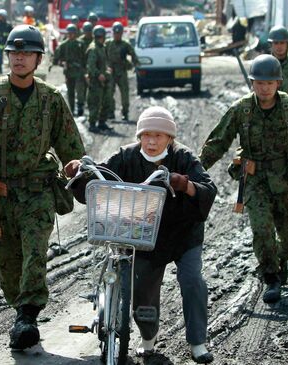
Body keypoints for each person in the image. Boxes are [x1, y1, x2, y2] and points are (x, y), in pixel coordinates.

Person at [0, 25, 85, 350]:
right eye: (14, 53)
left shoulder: (51, 99)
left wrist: (80, 171)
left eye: (26, 53)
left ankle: (28, 316)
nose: (19, 58)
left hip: (38, 191)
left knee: (35, 253)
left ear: (38, 58)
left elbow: (70, 146)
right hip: (0, 195)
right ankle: (20, 310)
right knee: (7, 264)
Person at [64, 106, 216, 364]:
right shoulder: (125, 156)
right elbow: (100, 176)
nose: (152, 141)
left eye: (159, 135)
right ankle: (148, 340)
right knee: (143, 292)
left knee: (192, 280)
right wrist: (79, 171)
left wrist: (186, 184)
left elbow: (208, 188)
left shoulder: (183, 157)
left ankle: (198, 342)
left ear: (170, 138)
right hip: (143, 236)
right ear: (139, 136)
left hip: (183, 235)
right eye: (147, 135)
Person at [199, 55, 288, 304]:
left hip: (285, 178)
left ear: (278, 83)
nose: (264, 88)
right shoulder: (241, 110)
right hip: (254, 179)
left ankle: (281, 259)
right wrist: (196, 169)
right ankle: (270, 276)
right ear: (252, 83)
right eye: (259, 83)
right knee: (261, 228)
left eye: (269, 83)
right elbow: (218, 142)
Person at [104, 21, 138, 121]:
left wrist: (135, 65)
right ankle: (111, 112)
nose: (117, 35)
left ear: (122, 33)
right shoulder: (108, 44)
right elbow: (102, 55)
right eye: (115, 33)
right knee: (109, 93)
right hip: (110, 72)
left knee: (124, 93)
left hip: (122, 71)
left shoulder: (125, 45)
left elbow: (133, 55)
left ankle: (125, 113)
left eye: (119, 33)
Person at [52, 23, 86, 116]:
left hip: (79, 71)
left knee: (80, 90)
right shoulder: (63, 45)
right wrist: (61, 63)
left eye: (73, 33)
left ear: (76, 33)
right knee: (70, 91)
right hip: (69, 72)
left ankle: (80, 107)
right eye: (69, 33)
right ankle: (72, 109)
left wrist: (85, 69)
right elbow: (56, 58)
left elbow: (85, 57)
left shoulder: (80, 44)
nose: (71, 35)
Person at [86, 25, 111, 132]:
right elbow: (91, 66)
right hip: (95, 81)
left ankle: (102, 122)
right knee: (95, 102)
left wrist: (107, 70)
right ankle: (92, 124)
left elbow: (104, 62)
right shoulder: (93, 49)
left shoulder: (102, 47)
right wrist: (98, 74)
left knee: (106, 101)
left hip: (104, 79)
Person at [0, 9, 14, 74]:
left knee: (11, 59)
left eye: (0, 16)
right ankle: (0, 72)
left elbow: (12, 35)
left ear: (4, 17)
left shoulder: (9, 26)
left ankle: (12, 72)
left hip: (8, 46)